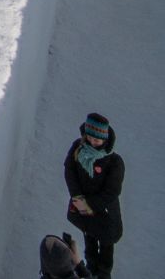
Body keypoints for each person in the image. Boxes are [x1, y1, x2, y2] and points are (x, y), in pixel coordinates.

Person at [64, 113, 125, 278]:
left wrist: (88, 204)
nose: (92, 142)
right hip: (83, 204)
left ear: (105, 139)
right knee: (89, 239)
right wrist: (77, 197)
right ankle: (90, 272)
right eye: (89, 138)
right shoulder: (78, 149)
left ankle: (104, 274)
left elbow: (112, 191)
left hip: (105, 211)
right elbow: (70, 171)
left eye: (97, 140)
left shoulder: (114, 162)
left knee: (106, 245)